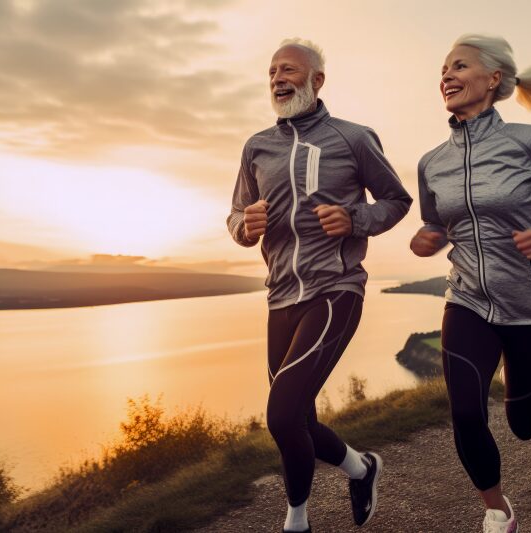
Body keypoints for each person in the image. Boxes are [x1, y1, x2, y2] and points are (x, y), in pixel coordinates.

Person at [410, 34, 531, 533]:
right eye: (443, 69)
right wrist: (428, 237)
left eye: (459, 66)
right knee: (464, 410)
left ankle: (518, 392)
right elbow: (436, 222)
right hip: (467, 299)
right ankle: (497, 510)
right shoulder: (432, 162)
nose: (447, 76)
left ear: (493, 78)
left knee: (523, 425)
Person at [227, 38, 412, 533]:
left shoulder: (353, 138)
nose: (277, 79)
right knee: (299, 419)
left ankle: (297, 521)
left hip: (336, 289)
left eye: (287, 70)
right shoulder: (256, 147)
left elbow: (396, 201)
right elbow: (235, 218)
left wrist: (354, 219)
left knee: (282, 415)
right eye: (270, 72)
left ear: (316, 80)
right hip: (280, 295)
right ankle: (362, 468)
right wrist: (247, 225)